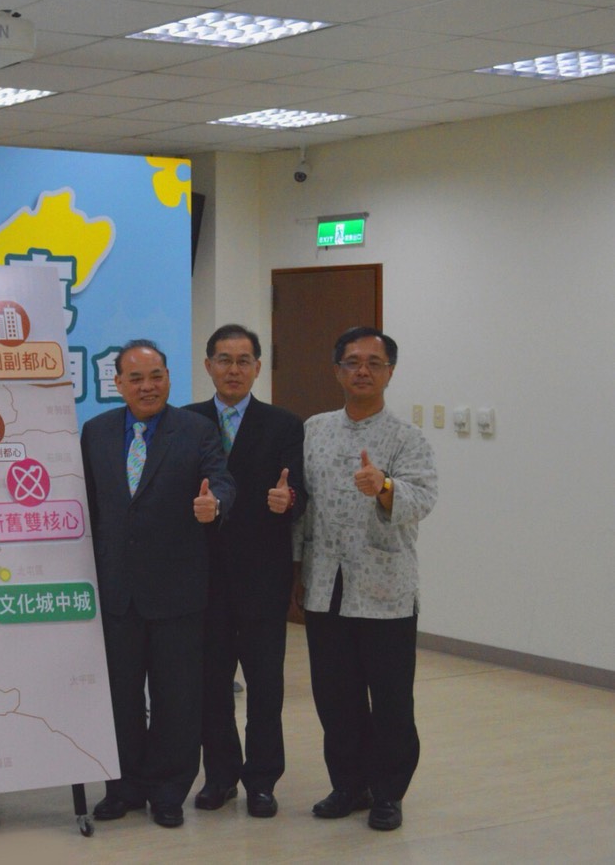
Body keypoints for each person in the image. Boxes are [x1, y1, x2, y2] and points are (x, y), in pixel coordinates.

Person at [80, 339, 234, 828]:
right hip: (116, 593)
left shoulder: (196, 429)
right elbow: (88, 507)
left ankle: (168, 792)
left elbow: (221, 480)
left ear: (168, 377)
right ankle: (122, 788)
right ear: (118, 384)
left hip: (177, 592)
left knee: (176, 699)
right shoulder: (96, 432)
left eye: (156, 376)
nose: (148, 386)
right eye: (136, 378)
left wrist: (215, 505)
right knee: (120, 698)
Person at [296, 327, 438, 832]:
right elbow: (302, 502)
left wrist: (384, 486)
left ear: (389, 373)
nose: (362, 371)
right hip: (324, 585)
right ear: (336, 371)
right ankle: (348, 785)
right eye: (352, 362)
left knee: (392, 700)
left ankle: (388, 793)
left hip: (385, 588)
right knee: (336, 697)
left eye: (374, 363)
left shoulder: (407, 437)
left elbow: (422, 500)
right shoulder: (314, 429)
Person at [183, 324, 305, 819]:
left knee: (265, 687)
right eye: (224, 360)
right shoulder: (186, 422)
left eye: (243, 361)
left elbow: (300, 492)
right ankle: (220, 777)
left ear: (257, 367)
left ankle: (262, 781)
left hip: (262, 579)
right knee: (211, 686)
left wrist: (288, 500)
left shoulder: (284, 424)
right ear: (208, 366)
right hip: (203, 579)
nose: (233, 370)